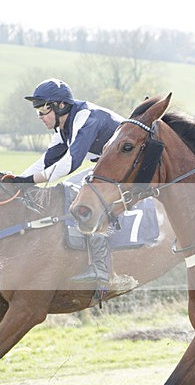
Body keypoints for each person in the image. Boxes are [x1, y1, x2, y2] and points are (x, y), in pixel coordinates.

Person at [12, 78, 123, 283]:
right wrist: (18, 181)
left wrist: (30, 181)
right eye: (37, 111)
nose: (39, 117)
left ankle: (101, 268)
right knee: (72, 188)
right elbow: (46, 161)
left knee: (85, 195)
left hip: (125, 170)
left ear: (60, 106)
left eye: (42, 111)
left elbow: (70, 163)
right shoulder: (63, 126)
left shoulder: (86, 118)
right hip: (106, 169)